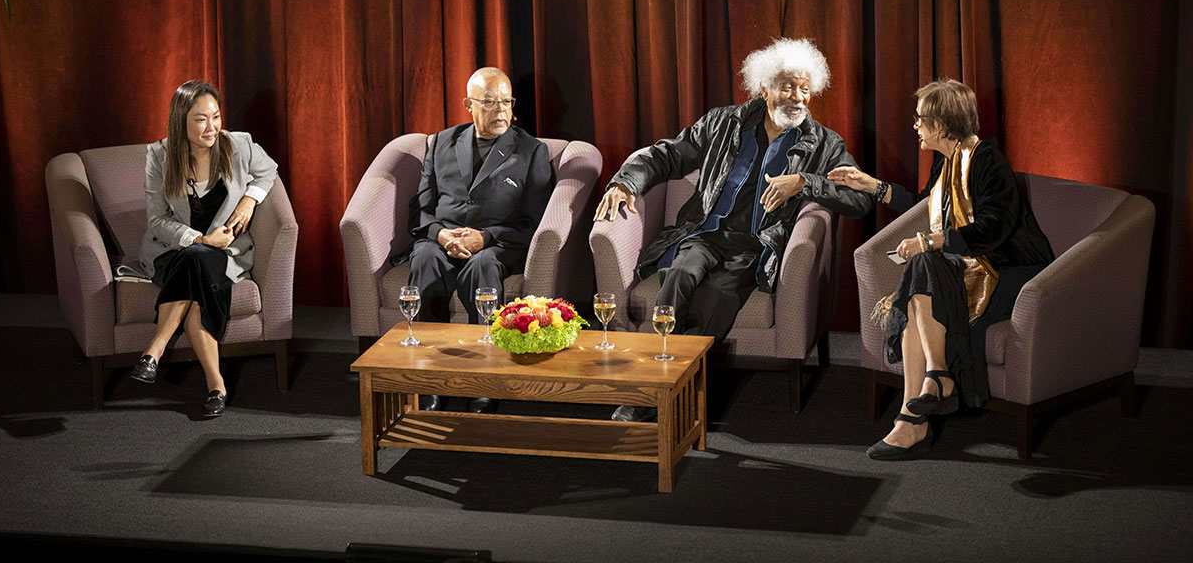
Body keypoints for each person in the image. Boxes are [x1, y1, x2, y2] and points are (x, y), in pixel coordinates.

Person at [595, 37, 874, 422]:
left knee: (715, 300)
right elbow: (668, 154)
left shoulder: (824, 144)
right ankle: (659, 384)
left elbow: (860, 200)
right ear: (764, 87)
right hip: (705, 234)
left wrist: (806, 183)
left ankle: (657, 396)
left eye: (805, 89)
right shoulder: (724, 123)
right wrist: (625, 182)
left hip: (756, 248)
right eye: (787, 86)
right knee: (678, 276)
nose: (797, 97)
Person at [828, 78, 1055, 460]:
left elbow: (994, 227)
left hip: (1014, 271)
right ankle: (932, 385)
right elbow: (926, 206)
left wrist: (930, 242)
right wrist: (872, 186)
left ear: (943, 123)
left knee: (923, 265)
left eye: (921, 119)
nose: (915, 125)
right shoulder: (945, 162)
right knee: (922, 275)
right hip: (967, 266)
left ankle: (912, 420)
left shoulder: (987, 161)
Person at [406, 67, 554, 413]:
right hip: (442, 239)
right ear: (468, 105)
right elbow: (420, 210)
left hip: (497, 245)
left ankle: (485, 381)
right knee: (424, 259)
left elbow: (536, 221)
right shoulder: (441, 142)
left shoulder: (531, 151)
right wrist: (440, 234)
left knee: (483, 267)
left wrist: (485, 238)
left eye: (506, 102)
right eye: (489, 102)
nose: (501, 110)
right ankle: (427, 378)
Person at [130, 80, 279, 416]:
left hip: (222, 252)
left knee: (198, 267)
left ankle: (154, 350)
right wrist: (200, 240)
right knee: (196, 264)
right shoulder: (160, 155)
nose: (212, 127)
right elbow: (158, 222)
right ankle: (217, 386)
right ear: (181, 120)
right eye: (200, 119)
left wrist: (250, 201)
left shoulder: (239, 145)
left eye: (215, 116)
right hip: (171, 252)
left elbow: (269, 172)